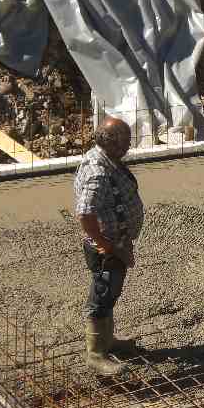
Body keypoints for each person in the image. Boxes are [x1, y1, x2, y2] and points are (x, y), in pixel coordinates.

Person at [73, 116, 144, 376]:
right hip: (108, 247)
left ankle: (108, 340)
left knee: (111, 291)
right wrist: (104, 244)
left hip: (116, 243)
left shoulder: (104, 159)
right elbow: (85, 213)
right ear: (112, 143)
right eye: (125, 140)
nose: (129, 145)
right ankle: (96, 354)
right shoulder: (98, 172)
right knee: (102, 295)